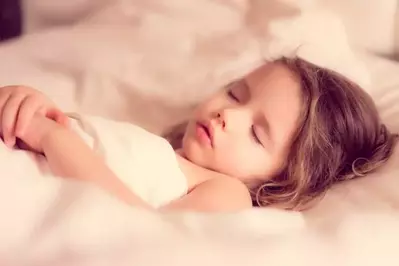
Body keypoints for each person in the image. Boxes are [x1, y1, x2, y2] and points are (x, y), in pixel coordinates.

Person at [0, 57, 397, 212]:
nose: (228, 114)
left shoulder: (227, 192)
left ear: (285, 180)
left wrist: (51, 137)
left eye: (257, 134)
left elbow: (135, 227)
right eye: (235, 93)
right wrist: (31, 107)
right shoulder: (161, 152)